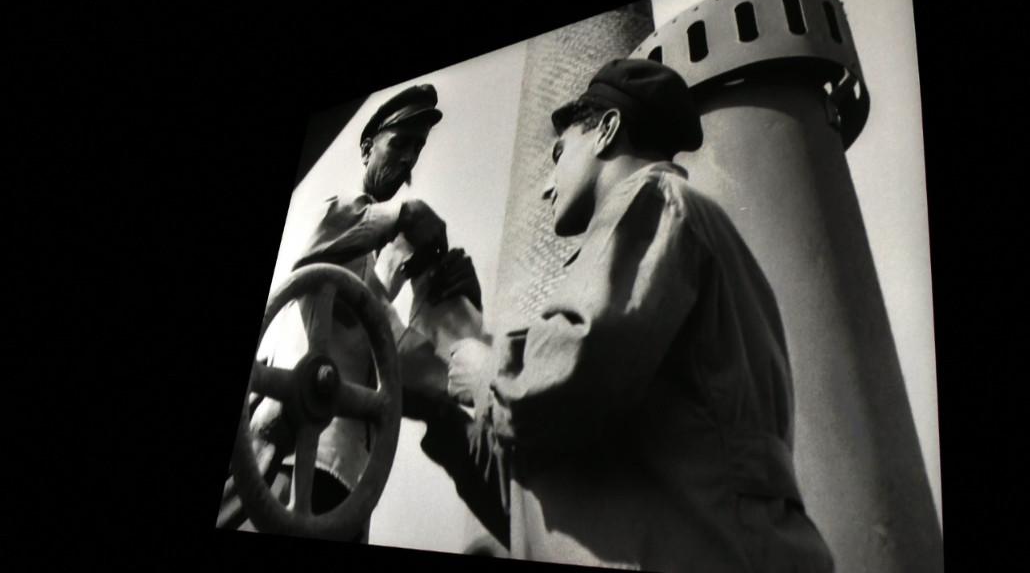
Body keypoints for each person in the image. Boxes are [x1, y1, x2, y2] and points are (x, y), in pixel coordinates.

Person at [409, 59, 836, 571]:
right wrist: (441, 412)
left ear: (607, 130)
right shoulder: (669, 230)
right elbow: (555, 502)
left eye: (558, 154)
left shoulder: (654, 200)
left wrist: (486, 373)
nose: (546, 186)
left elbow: (571, 375)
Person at [217, 84, 483, 539]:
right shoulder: (338, 222)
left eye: (417, 149)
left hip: (349, 480)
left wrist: (460, 320)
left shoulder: (377, 270)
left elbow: (399, 359)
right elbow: (336, 230)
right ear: (366, 149)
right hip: (291, 460)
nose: (408, 159)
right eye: (399, 144)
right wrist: (404, 214)